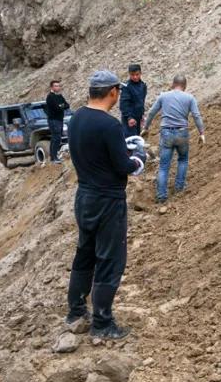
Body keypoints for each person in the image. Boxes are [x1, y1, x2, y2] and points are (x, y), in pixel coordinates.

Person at [65, 70, 146, 340]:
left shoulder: (77, 118)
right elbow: (122, 166)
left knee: (85, 254)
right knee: (110, 260)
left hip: (84, 196)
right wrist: (138, 158)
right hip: (108, 201)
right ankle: (102, 323)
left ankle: (76, 311)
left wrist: (121, 150)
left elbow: (96, 152)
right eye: (118, 91)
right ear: (112, 92)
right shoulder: (110, 125)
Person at [143, 74, 205, 204]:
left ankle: (161, 195)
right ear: (185, 86)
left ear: (173, 84)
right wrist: (201, 133)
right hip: (182, 132)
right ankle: (179, 188)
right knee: (183, 160)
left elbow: (152, 112)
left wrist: (146, 127)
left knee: (164, 166)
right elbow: (196, 115)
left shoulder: (163, 96)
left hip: (166, 133)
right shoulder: (190, 98)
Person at [46, 80, 69, 164]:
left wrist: (61, 106)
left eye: (59, 86)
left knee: (55, 138)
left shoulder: (60, 96)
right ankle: (54, 158)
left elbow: (67, 105)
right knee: (56, 138)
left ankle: (53, 157)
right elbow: (57, 108)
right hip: (53, 120)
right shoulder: (50, 97)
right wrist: (61, 106)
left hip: (60, 119)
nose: (58, 87)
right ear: (52, 87)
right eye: (56, 86)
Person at [120, 64, 147, 133]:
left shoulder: (143, 85)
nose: (135, 77)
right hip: (129, 119)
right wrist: (129, 117)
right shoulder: (126, 87)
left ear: (140, 73)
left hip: (138, 118)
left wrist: (142, 115)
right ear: (129, 74)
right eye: (132, 75)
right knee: (130, 138)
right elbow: (124, 104)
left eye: (137, 74)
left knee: (137, 137)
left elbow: (142, 102)